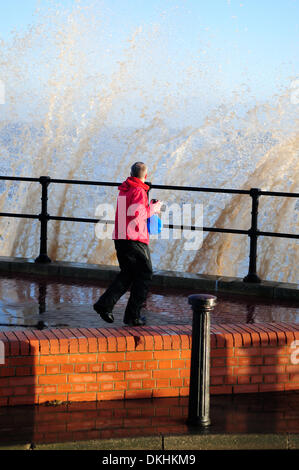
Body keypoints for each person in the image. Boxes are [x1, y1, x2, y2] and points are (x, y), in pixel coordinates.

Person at [93, 162, 162, 326]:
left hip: (121, 237)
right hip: (134, 239)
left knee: (128, 274)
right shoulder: (138, 190)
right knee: (145, 275)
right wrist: (154, 208)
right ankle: (132, 316)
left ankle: (105, 305)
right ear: (145, 176)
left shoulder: (125, 189)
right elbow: (138, 214)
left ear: (131, 174)